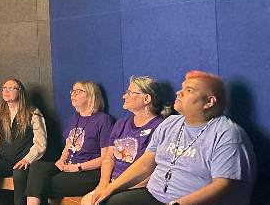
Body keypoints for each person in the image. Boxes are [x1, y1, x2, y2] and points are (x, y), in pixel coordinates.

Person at [91, 71, 256, 205]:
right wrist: (109, 189)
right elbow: (144, 164)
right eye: (182, 88)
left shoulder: (227, 134)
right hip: (155, 194)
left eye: (189, 90)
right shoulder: (170, 123)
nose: (179, 93)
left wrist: (177, 204)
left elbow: (222, 185)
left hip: (193, 202)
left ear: (209, 102)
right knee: (108, 202)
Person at [80, 76, 171, 205]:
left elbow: (152, 170)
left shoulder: (160, 127)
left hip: (137, 187)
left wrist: (115, 189)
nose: (124, 96)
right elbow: (108, 158)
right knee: (88, 200)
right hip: (113, 183)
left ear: (146, 98)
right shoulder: (121, 123)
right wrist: (103, 184)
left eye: (130, 93)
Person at [24, 81, 113, 205]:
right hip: (69, 167)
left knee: (43, 183)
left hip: (89, 172)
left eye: (78, 92)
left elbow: (105, 158)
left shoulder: (103, 120)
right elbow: (68, 145)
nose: (73, 95)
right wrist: (61, 159)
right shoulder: (75, 117)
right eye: (72, 91)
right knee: (37, 168)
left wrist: (77, 167)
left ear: (90, 95)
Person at [0, 79, 47, 205]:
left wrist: (28, 159)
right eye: (4, 88)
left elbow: (41, 142)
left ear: (20, 92)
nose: (7, 90)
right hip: (4, 159)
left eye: (11, 88)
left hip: (24, 160)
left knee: (19, 174)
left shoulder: (33, 113)